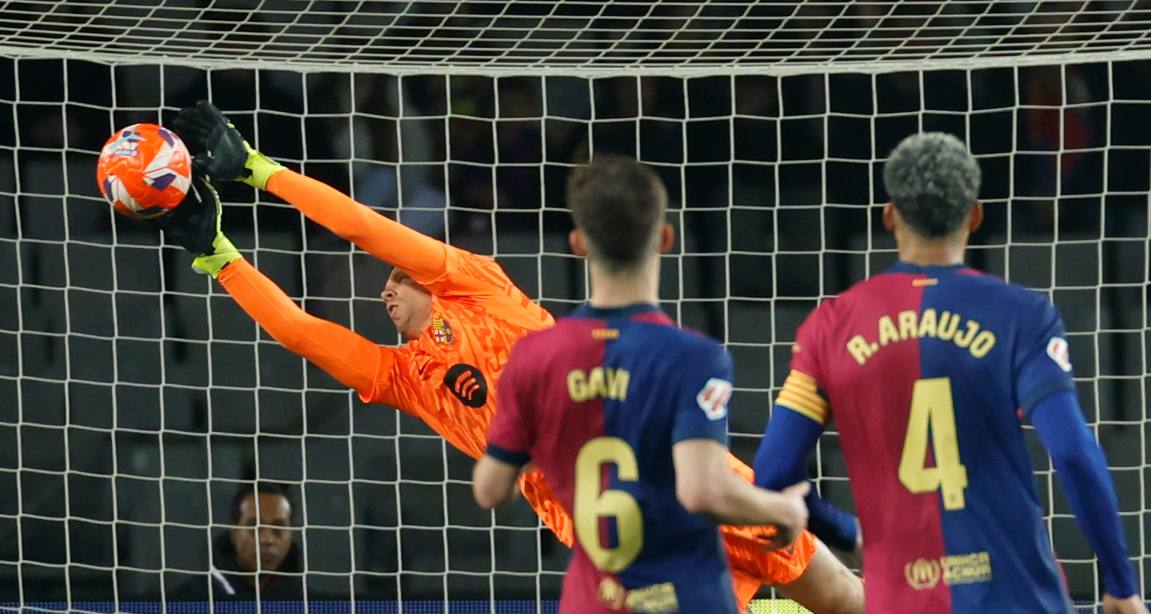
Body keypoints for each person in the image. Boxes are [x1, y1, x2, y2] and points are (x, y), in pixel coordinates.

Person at [158, 100, 862, 612]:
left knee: (840, 596)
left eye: (398, 277)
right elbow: (298, 330)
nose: (385, 289)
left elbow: (364, 227)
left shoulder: (477, 286)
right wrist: (219, 255)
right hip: (615, 518)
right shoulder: (405, 378)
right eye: (384, 285)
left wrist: (259, 171)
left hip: (651, 492)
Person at [753, 132, 1146, 613]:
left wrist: (845, 529)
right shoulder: (1020, 315)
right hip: (1018, 597)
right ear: (975, 215)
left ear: (889, 216)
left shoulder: (830, 328)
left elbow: (772, 474)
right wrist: (1120, 583)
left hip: (901, 600)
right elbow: (1074, 453)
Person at [472, 155, 812, 613]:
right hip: (686, 599)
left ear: (578, 243)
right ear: (666, 237)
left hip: (594, 602)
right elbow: (703, 490)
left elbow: (491, 489)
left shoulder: (536, 357)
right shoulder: (695, 356)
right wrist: (782, 510)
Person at [172, 482, 304, 599]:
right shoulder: (187, 600)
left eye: (278, 527)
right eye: (254, 526)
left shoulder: (309, 602)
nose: (267, 539)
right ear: (234, 533)